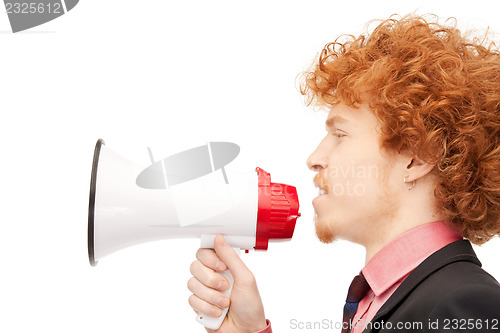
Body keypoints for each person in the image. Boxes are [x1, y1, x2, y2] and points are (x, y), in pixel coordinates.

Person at [187, 14, 500, 333]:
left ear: (416, 159)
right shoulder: (376, 300)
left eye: (339, 135)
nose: (314, 159)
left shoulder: (465, 304)